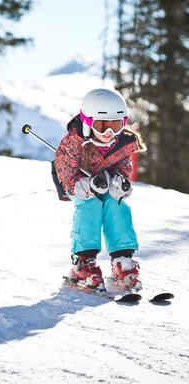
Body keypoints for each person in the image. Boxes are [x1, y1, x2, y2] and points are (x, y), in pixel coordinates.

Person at [55, 88, 146, 293]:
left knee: (116, 204)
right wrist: (85, 185)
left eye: (115, 126)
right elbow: (66, 176)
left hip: (106, 183)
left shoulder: (122, 142)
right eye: (102, 126)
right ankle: (83, 261)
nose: (108, 133)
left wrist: (120, 183)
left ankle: (122, 259)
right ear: (88, 122)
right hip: (78, 185)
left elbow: (124, 168)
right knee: (91, 205)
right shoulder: (73, 143)